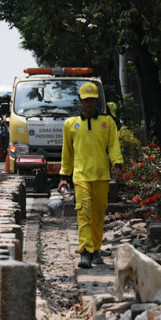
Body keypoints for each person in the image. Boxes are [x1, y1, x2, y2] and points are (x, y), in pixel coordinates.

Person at [57, 82, 123, 269]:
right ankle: (85, 251)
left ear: (97, 100)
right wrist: (64, 176)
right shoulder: (71, 124)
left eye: (92, 99)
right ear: (80, 100)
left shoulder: (107, 122)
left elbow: (113, 146)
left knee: (98, 214)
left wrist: (117, 165)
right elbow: (67, 152)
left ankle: (96, 249)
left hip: (101, 175)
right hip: (81, 175)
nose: (89, 103)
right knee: (83, 212)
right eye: (86, 100)